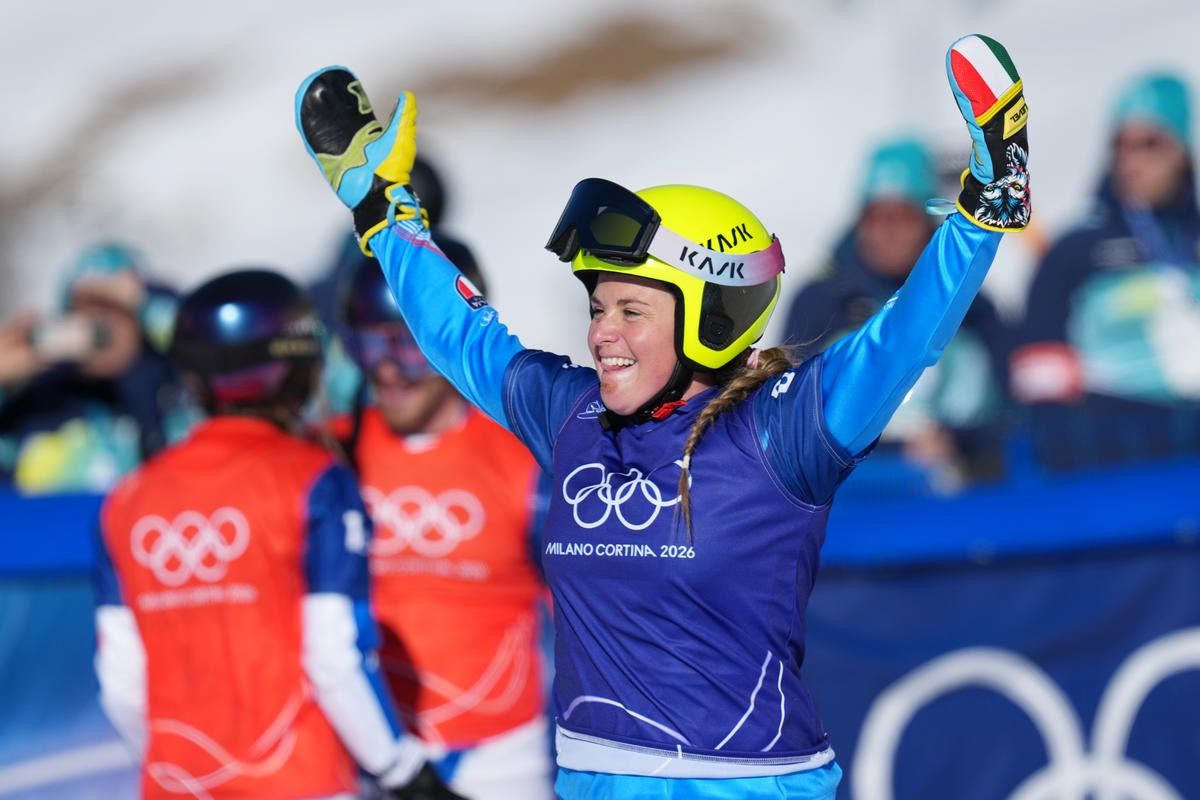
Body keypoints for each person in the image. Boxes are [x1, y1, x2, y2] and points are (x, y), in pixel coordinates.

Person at [294, 33, 1030, 799]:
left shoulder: (781, 434)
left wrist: (985, 210)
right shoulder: (571, 415)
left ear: (711, 316)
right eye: (596, 308)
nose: (600, 333)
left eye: (631, 311)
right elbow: (459, 334)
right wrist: (384, 214)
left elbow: (904, 336)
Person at [92, 268, 463, 799]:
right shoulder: (316, 480)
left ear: (193, 380)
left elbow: (122, 685)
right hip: (304, 779)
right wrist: (402, 770)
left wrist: (179, 768)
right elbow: (333, 656)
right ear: (300, 371)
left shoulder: (125, 501)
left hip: (177, 784)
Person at [327, 251, 553, 799]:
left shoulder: (525, 457)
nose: (386, 369)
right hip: (370, 752)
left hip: (499, 756)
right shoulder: (330, 452)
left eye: (409, 348)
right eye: (368, 346)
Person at [782, 137, 1011, 492]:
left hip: (953, 494)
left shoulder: (971, 305)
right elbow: (788, 417)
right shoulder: (821, 300)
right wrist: (894, 450)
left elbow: (1011, 412)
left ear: (928, 221)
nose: (888, 232)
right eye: (876, 217)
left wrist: (956, 442)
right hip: (844, 497)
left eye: (902, 217)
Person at [1012, 72, 1200, 471]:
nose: (1132, 161)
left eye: (1150, 144)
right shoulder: (1076, 251)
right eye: (1121, 145)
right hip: (1114, 458)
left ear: (1183, 150)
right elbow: (1039, 378)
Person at [0, 243, 191, 493]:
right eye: (85, 309)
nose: (99, 324)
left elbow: (206, 341)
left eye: (114, 309)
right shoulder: (42, 404)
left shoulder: (180, 397)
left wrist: (149, 299)